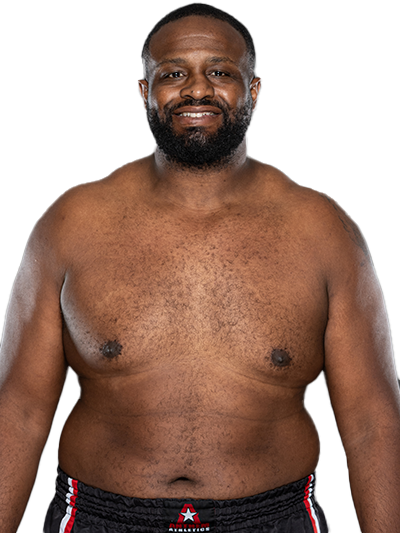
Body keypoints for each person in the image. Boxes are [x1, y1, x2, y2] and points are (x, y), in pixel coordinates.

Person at [1, 3, 399, 532]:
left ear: (252, 90)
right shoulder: (72, 222)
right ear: (145, 92)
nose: (196, 90)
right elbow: (20, 410)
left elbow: (373, 422)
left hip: (271, 519)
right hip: (101, 517)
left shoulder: (322, 230)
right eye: (172, 74)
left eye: (219, 72)